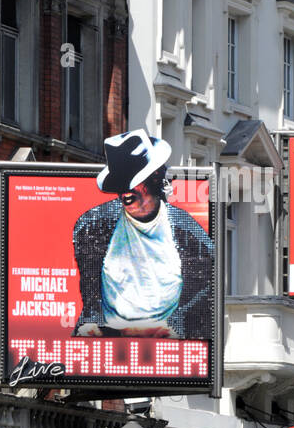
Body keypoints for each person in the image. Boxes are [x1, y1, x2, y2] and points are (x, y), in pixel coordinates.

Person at [72, 130, 214, 340]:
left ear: (155, 177)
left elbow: (206, 285)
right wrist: (93, 321)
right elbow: (89, 283)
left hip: (166, 343)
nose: (125, 190)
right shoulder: (92, 225)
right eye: (119, 182)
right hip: (107, 342)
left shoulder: (187, 231)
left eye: (133, 180)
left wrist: (177, 324)